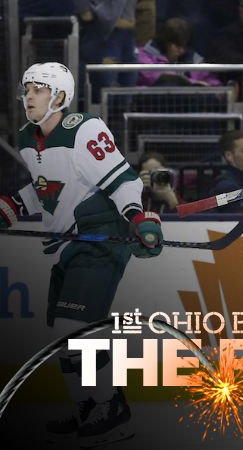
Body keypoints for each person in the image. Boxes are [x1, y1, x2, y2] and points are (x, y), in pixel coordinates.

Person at [0, 62, 163, 448]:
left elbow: (122, 180)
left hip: (102, 237)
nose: (29, 96)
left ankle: (112, 409)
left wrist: (139, 219)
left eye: (38, 89)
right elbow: (48, 189)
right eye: (26, 89)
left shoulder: (84, 129)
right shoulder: (27, 136)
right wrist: (12, 205)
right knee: (62, 331)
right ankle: (89, 405)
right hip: (72, 242)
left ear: (59, 96)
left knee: (75, 328)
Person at [136, 17, 222, 87]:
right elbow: (154, 77)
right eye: (177, 46)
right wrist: (190, 84)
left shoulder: (193, 59)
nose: (181, 51)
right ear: (165, 41)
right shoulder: (143, 55)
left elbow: (211, 80)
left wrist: (212, 88)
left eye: (184, 47)